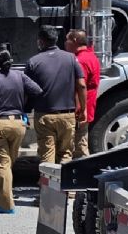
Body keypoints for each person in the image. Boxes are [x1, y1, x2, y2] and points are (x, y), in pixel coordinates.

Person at [0, 46, 43, 214]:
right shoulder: (20, 76)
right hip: (18, 124)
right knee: (5, 164)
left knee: (0, 165)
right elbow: (37, 91)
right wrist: (25, 109)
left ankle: (6, 204)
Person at [25, 27, 87, 165]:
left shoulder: (33, 62)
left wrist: (25, 111)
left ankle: (48, 185)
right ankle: (67, 186)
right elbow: (82, 85)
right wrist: (83, 108)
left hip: (44, 116)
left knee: (47, 154)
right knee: (66, 153)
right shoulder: (71, 58)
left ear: (40, 41)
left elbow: (27, 90)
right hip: (67, 115)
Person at [65, 29, 101, 159]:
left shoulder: (81, 60)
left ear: (74, 41)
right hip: (87, 106)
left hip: (80, 109)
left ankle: (83, 173)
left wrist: (80, 109)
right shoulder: (91, 56)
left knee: (79, 146)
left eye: (67, 40)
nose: (65, 43)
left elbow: (80, 86)